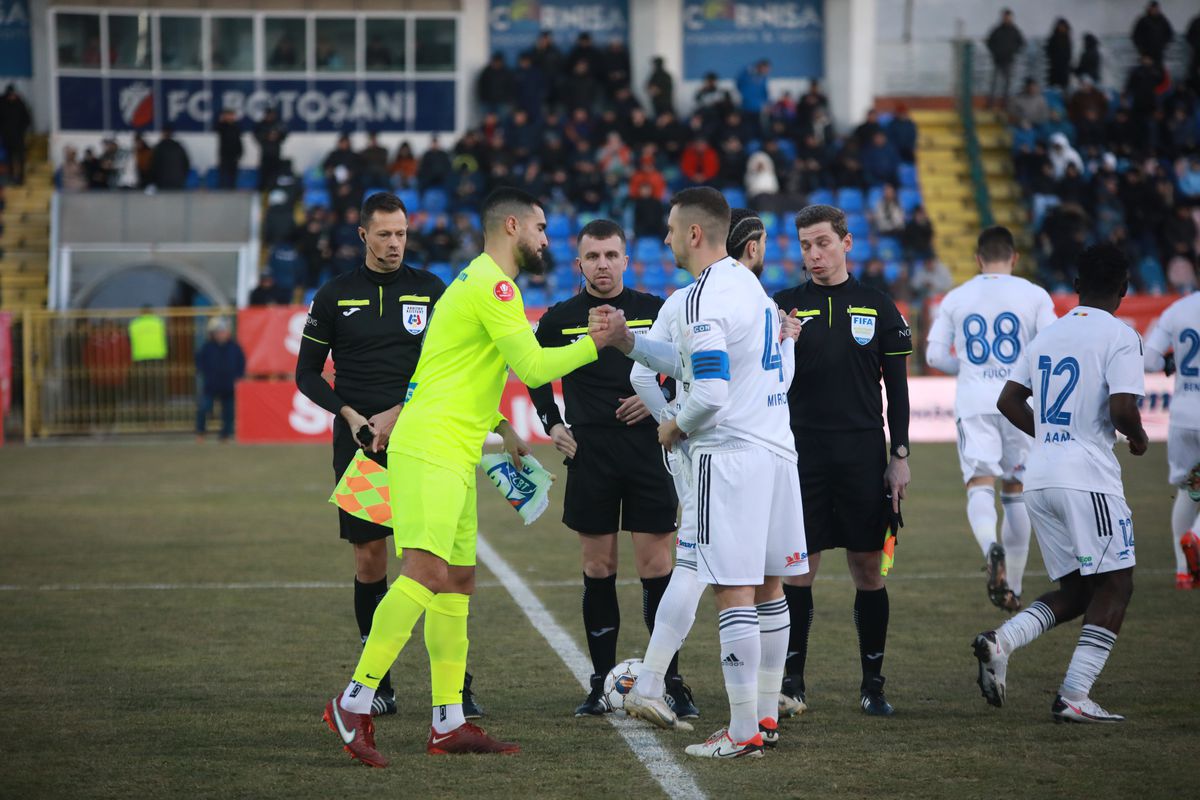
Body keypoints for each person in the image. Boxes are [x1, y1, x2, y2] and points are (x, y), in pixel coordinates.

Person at [321, 188, 626, 766]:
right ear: (511, 226)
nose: (545, 239)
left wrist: (498, 424)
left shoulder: (472, 281)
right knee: (424, 571)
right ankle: (353, 701)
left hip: (453, 451)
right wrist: (597, 342)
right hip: (431, 450)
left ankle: (448, 721)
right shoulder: (495, 285)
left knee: (457, 583)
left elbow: (445, 372)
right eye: (540, 228)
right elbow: (533, 365)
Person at [593, 191, 806, 759]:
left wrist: (674, 426)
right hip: (775, 451)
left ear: (694, 234)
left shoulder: (701, 298)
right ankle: (763, 716)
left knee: (732, 589)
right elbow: (697, 364)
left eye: (669, 229)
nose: (665, 238)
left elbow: (707, 391)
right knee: (768, 584)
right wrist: (630, 341)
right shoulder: (751, 288)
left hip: (729, 454)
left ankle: (740, 733)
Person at [297, 192, 473, 720]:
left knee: (437, 565)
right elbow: (306, 374)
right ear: (363, 236)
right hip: (362, 450)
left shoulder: (430, 290)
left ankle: (456, 686)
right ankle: (381, 686)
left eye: (401, 234)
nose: (395, 243)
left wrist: (403, 410)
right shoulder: (334, 296)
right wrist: (349, 414)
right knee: (371, 561)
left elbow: (451, 365)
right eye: (385, 234)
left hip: (424, 443)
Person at [525, 219, 695, 718]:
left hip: (649, 450)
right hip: (590, 453)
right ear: (579, 264)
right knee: (598, 567)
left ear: (626, 260)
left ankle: (671, 680)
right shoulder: (559, 318)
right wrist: (551, 422)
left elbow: (687, 367)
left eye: (611, 255)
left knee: (657, 568)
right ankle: (601, 684)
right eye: (593, 256)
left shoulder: (654, 310)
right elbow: (533, 372)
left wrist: (659, 398)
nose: (602, 264)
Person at [978, 243, 1147, 723]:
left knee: (1076, 590)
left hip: (1041, 476)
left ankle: (1001, 641)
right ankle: (1074, 694)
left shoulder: (1048, 335)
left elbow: (1008, 400)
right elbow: (1122, 408)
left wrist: (1052, 437)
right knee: (1116, 584)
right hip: (1087, 479)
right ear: (1124, 289)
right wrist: (1137, 438)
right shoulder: (1122, 335)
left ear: (1074, 286)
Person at [772, 204, 912, 717]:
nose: (814, 254)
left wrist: (899, 455)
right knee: (798, 570)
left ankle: (873, 684)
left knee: (867, 569)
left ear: (846, 243)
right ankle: (792, 683)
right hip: (799, 456)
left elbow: (897, 393)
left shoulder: (878, 306)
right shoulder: (782, 307)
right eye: (806, 245)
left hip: (861, 455)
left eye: (823, 243)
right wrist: (779, 340)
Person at [925, 227, 1057, 611]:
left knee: (979, 485)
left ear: (978, 259)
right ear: (1014, 258)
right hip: (1018, 402)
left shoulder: (957, 297)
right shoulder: (1034, 295)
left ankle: (990, 548)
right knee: (1016, 491)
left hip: (976, 399)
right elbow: (1051, 343)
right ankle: (1012, 587)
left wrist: (966, 368)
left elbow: (934, 356)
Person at [1143, 288, 1200, 589]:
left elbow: (1150, 360)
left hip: (1182, 414)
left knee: (1188, 488)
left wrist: (1170, 364)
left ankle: (1182, 570)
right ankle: (1197, 536)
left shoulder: (1177, 310)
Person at [195, 317, 245, 441]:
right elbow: (200, 362)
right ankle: (200, 432)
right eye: (218, 332)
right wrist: (206, 373)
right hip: (211, 384)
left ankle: (225, 434)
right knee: (204, 408)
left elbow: (241, 363)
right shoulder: (207, 347)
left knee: (228, 412)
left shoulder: (235, 347)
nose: (220, 334)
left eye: (223, 331)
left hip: (228, 385)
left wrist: (238, 377)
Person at [986, 10, 1025, 109]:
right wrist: (995, 52)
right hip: (997, 60)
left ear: (1011, 18)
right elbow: (989, 42)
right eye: (1005, 17)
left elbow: (1021, 43)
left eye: (1008, 17)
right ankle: (990, 104)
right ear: (1002, 18)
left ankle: (1005, 105)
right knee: (994, 84)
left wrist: (1013, 51)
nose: (1007, 19)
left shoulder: (1014, 30)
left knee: (1007, 84)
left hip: (1009, 61)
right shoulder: (997, 30)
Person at [0, 84, 32, 185]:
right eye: (10, 95)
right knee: (9, 158)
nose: (11, 97)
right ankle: (10, 178)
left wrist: (21, 130)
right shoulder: (2, 102)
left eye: (13, 95)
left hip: (18, 137)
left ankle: (20, 178)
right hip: (6, 137)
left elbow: (27, 119)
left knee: (20, 158)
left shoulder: (20, 103)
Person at [254, 107, 288, 192]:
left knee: (275, 170)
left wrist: (277, 136)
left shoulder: (278, 124)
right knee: (264, 171)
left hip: (276, 151)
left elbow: (284, 135)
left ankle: (274, 186)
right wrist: (267, 136)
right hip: (265, 151)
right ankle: (263, 187)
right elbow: (257, 135)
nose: (271, 117)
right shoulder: (261, 124)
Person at [1133, 1, 1174, 66]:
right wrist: (1141, 50)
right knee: (1146, 71)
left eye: (1156, 8)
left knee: (1158, 71)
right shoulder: (1143, 20)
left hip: (1158, 52)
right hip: (1146, 53)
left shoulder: (1163, 20)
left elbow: (1170, 34)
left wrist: (1163, 45)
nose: (1154, 10)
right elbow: (1136, 36)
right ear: (1149, 9)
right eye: (1153, 8)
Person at [215, 108, 243, 190]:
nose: (230, 117)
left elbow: (239, 140)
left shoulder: (236, 127)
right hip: (224, 154)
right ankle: (222, 191)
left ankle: (232, 190)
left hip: (234, 154)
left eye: (231, 115)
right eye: (228, 115)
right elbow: (216, 128)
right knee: (223, 174)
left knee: (233, 175)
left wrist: (240, 151)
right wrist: (222, 120)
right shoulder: (222, 126)